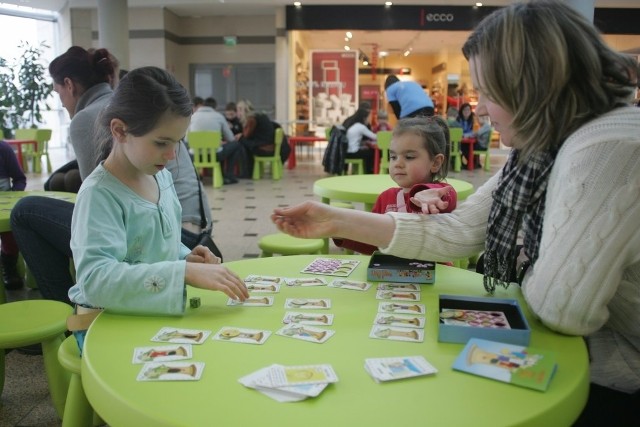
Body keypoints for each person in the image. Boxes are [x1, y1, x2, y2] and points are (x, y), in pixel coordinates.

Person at [272, 2, 640, 424]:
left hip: (617, 375)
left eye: (488, 92)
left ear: (531, 87)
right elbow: (464, 227)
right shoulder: (545, 145)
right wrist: (337, 220)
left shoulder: (606, 149)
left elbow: (563, 309)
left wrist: (529, 261)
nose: (479, 109)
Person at [67, 66, 248, 350]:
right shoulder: (99, 195)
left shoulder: (159, 174)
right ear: (120, 130)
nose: (172, 154)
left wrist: (186, 258)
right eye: (161, 142)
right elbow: (95, 281)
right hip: (103, 322)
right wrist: (181, 274)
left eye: (177, 142)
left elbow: (154, 244)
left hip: (147, 310)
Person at [334, 116, 457, 255]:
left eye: (409, 157)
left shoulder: (441, 194)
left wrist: (425, 193)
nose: (397, 163)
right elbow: (374, 242)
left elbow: (449, 197)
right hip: (394, 273)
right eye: (393, 157)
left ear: (435, 163)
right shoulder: (386, 198)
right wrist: (341, 232)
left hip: (436, 273)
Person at [46, 46, 116, 192]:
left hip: (120, 211)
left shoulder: (85, 119)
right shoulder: (118, 100)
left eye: (58, 92)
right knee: (63, 177)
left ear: (69, 85)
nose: (62, 104)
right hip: (157, 202)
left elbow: (94, 194)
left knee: (25, 207)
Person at [189, 96, 242, 185]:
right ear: (215, 107)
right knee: (236, 145)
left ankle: (195, 176)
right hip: (215, 155)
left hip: (195, 155)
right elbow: (231, 138)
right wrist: (218, 142)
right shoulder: (219, 116)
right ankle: (228, 176)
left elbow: (187, 139)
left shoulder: (192, 117)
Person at [0, 140, 27, 289]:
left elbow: (19, 179)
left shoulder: (3, 149)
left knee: (10, 239)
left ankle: (9, 269)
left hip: (5, 205)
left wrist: (13, 196)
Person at [236, 99, 275, 177]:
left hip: (264, 148)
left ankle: (246, 173)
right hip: (269, 146)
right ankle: (248, 171)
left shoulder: (251, 119)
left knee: (241, 144)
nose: (238, 113)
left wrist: (240, 136)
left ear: (244, 110)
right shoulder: (258, 116)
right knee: (244, 142)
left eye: (239, 110)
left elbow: (246, 135)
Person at [342, 105, 377, 174]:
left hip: (346, 152)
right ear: (364, 118)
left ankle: (366, 171)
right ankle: (369, 172)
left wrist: (362, 144)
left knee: (367, 151)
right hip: (353, 153)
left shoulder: (353, 125)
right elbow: (375, 137)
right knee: (371, 153)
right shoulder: (361, 127)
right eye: (368, 117)